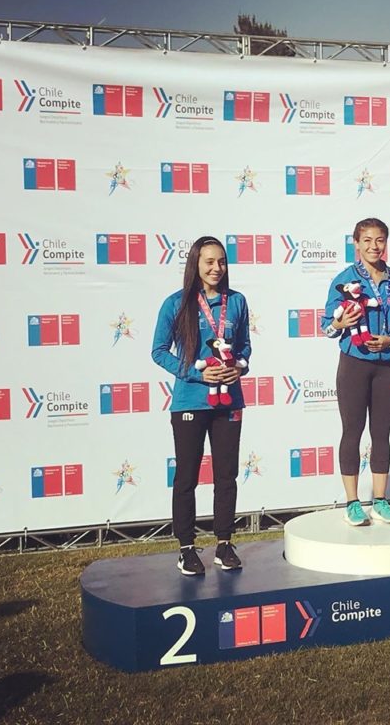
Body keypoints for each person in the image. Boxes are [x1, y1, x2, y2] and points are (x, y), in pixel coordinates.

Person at [151, 236, 251, 576]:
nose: (216, 268)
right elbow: (159, 350)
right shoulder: (175, 303)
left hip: (229, 401)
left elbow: (245, 347)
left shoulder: (236, 302)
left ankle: (224, 543)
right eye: (209, 262)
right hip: (190, 401)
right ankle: (186, 548)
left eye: (221, 262)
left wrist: (239, 365)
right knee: (187, 477)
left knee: (226, 475)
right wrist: (196, 373)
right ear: (195, 263)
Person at [321, 218, 390, 526]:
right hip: (354, 363)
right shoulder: (344, 280)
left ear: (386, 243)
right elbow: (326, 326)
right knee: (352, 431)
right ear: (356, 243)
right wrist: (340, 324)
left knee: (381, 433)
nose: (373, 246)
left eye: (379, 240)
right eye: (367, 240)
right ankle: (352, 502)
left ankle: (380, 500)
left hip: (388, 364)